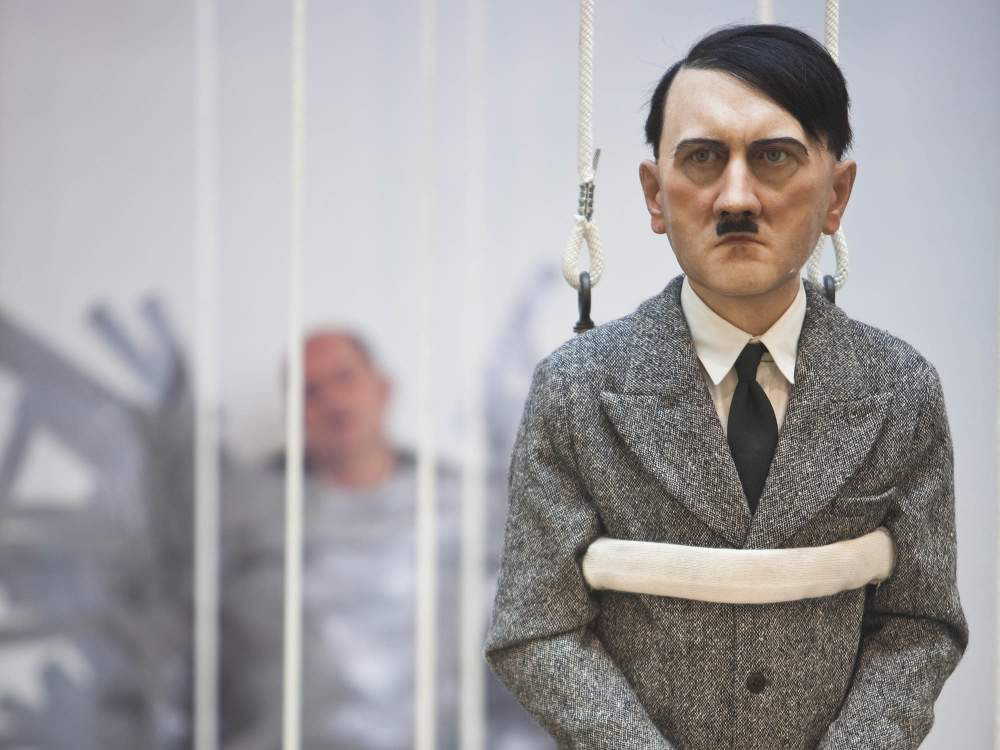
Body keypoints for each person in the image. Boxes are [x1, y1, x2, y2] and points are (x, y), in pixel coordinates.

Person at [484, 24, 968, 750]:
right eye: (703, 158)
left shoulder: (900, 392)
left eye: (774, 157)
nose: (736, 198)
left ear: (837, 194)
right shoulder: (576, 392)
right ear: (655, 195)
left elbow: (921, 622)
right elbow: (535, 628)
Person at [219, 329, 549, 750]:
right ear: (292, 413)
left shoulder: (468, 510)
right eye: (309, 391)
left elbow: (523, 652)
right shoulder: (238, 519)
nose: (332, 401)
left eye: (344, 378)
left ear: (383, 388)